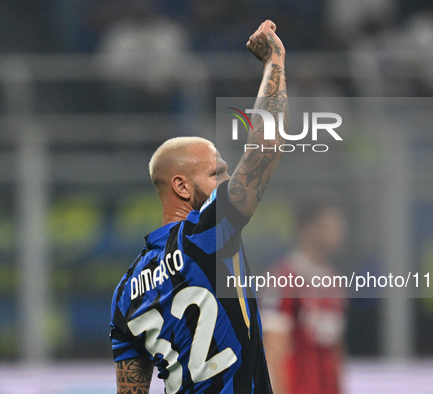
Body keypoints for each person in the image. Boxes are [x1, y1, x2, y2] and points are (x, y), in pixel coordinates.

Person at [109, 20, 287, 393]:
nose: (227, 181)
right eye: (216, 173)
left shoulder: (126, 292)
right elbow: (264, 151)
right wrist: (275, 62)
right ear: (181, 186)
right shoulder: (206, 233)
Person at [262, 200, 347, 394]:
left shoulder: (334, 281)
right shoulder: (284, 278)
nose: (339, 233)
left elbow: (336, 349)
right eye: (330, 227)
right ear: (308, 230)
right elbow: (274, 349)